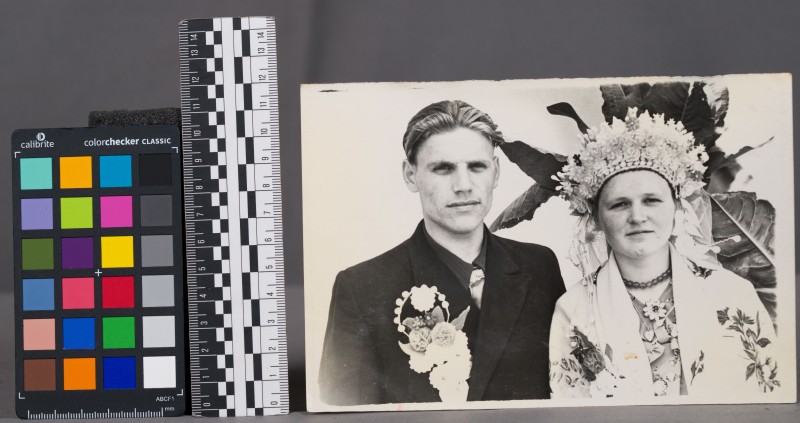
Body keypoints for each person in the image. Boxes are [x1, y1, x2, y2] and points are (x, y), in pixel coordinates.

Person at [319, 100, 565, 405]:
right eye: (443, 168)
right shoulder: (361, 289)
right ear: (410, 175)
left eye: (477, 166)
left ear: (496, 171)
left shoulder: (540, 267)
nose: (464, 185)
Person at [549, 109, 780, 399]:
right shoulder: (574, 310)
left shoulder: (733, 294)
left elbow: (769, 400)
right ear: (596, 218)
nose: (637, 217)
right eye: (619, 204)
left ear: (677, 206)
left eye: (652, 200)